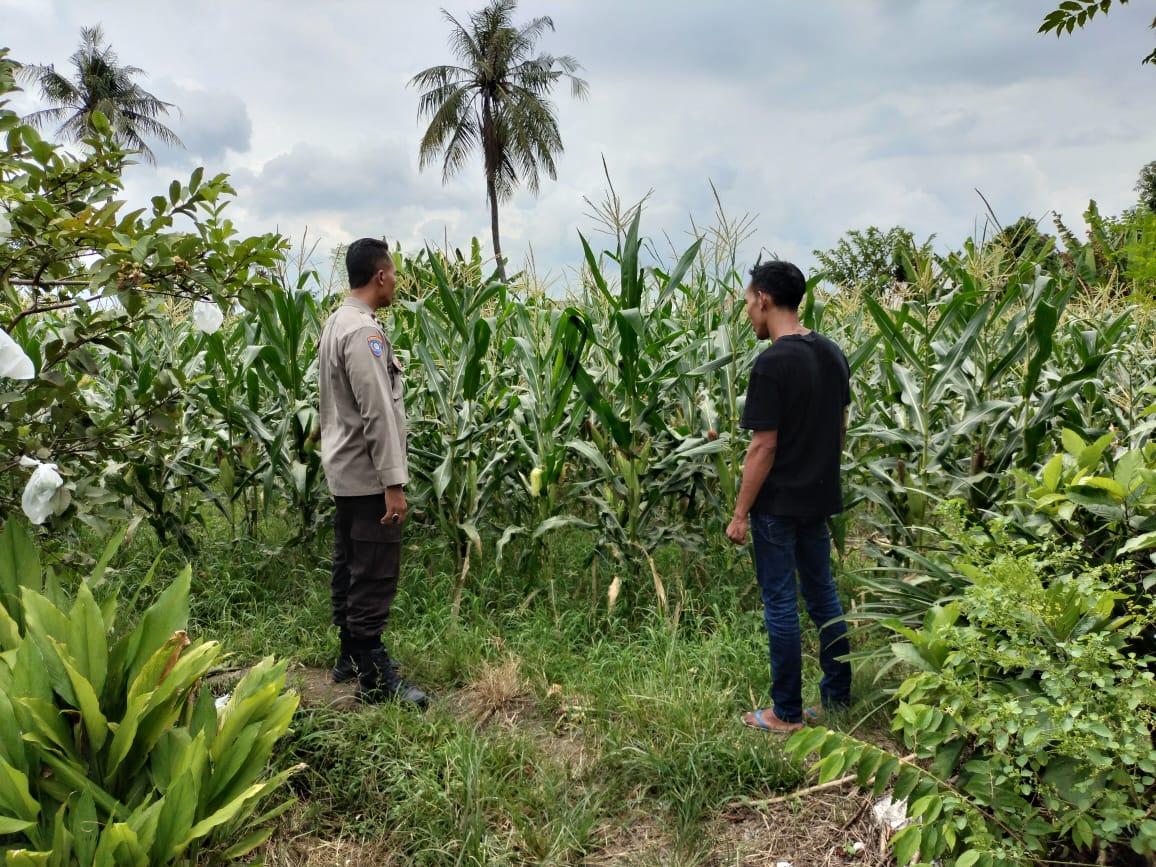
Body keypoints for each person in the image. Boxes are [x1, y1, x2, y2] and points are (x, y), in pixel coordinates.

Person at [725, 260, 852, 733]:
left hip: (777, 507)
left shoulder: (773, 362)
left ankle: (786, 713)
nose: (747, 314)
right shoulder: (832, 352)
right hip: (817, 501)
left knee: (780, 603)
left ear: (763, 299)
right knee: (823, 596)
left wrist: (740, 514)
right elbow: (839, 428)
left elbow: (764, 445)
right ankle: (837, 698)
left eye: (747, 303)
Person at [318, 237, 427, 707]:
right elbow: (377, 413)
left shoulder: (336, 322)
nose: (397, 281)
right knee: (374, 573)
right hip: (367, 477)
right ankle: (375, 675)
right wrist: (393, 484)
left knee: (349, 565)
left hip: (345, 473)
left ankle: (349, 657)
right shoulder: (363, 332)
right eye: (395, 273)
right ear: (380, 275)